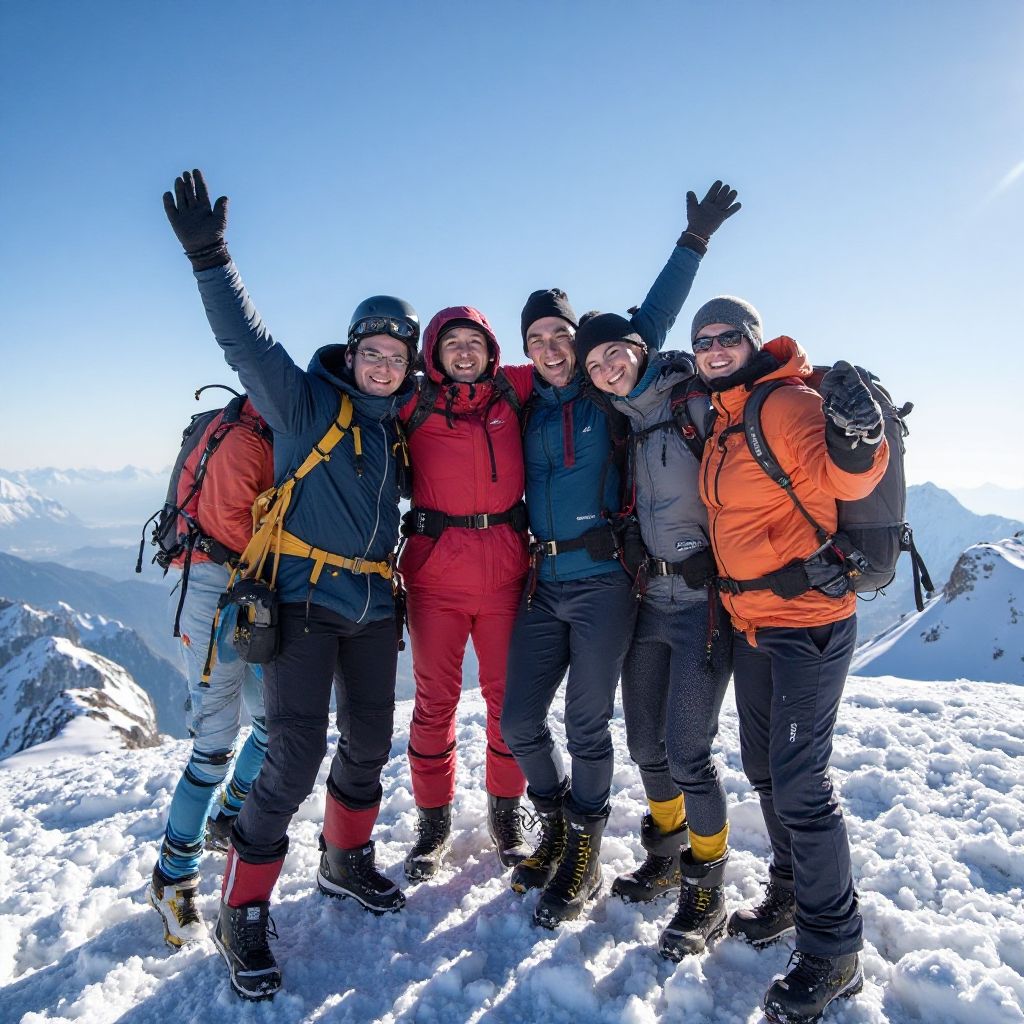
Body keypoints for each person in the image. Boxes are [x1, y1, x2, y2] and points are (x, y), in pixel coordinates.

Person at [163, 169, 418, 1001]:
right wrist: (211, 257)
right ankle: (244, 911)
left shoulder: (396, 431)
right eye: (371, 352)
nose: (382, 365)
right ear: (352, 353)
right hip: (305, 605)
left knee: (371, 743)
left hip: (376, 608)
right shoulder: (306, 403)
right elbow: (246, 341)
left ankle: (345, 862)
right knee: (295, 751)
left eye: (395, 356)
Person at [500, 181, 740, 929]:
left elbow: (649, 321)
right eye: (535, 339)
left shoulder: (611, 397)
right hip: (546, 580)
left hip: (609, 581)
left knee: (601, 729)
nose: (550, 349)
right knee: (519, 724)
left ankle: (592, 853)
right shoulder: (522, 402)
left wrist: (693, 240)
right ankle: (564, 828)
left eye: (559, 338)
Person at [690, 296, 887, 1023]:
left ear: (749, 341)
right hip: (754, 626)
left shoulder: (782, 405)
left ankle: (835, 951)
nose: (713, 348)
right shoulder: (724, 417)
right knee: (767, 771)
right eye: (702, 340)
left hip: (807, 623)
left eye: (725, 337)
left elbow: (847, 476)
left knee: (802, 785)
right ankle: (790, 893)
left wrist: (859, 437)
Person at [577, 313, 732, 959]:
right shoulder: (629, 421)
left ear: (638, 348)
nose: (608, 367)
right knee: (645, 743)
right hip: (651, 601)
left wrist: (722, 559)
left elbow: (741, 487)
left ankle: (708, 889)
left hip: (705, 607)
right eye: (595, 364)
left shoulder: (693, 398)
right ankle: (666, 857)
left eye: (615, 353)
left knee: (689, 752)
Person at [397, 306, 531, 880]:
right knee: (434, 704)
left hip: (504, 571)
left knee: (510, 703)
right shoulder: (413, 401)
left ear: (492, 349)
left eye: (475, 341)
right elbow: (352, 389)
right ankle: (434, 823)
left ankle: (506, 813)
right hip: (435, 577)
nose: (465, 351)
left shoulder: (513, 390)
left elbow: (579, 358)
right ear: (434, 351)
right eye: (452, 342)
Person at [148, 396, 274, 948]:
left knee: (274, 722)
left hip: (246, 590)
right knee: (214, 747)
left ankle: (228, 815)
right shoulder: (248, 441)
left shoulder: (259, 431)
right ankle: (172, 876)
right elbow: (235, 528)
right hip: (216, 589)